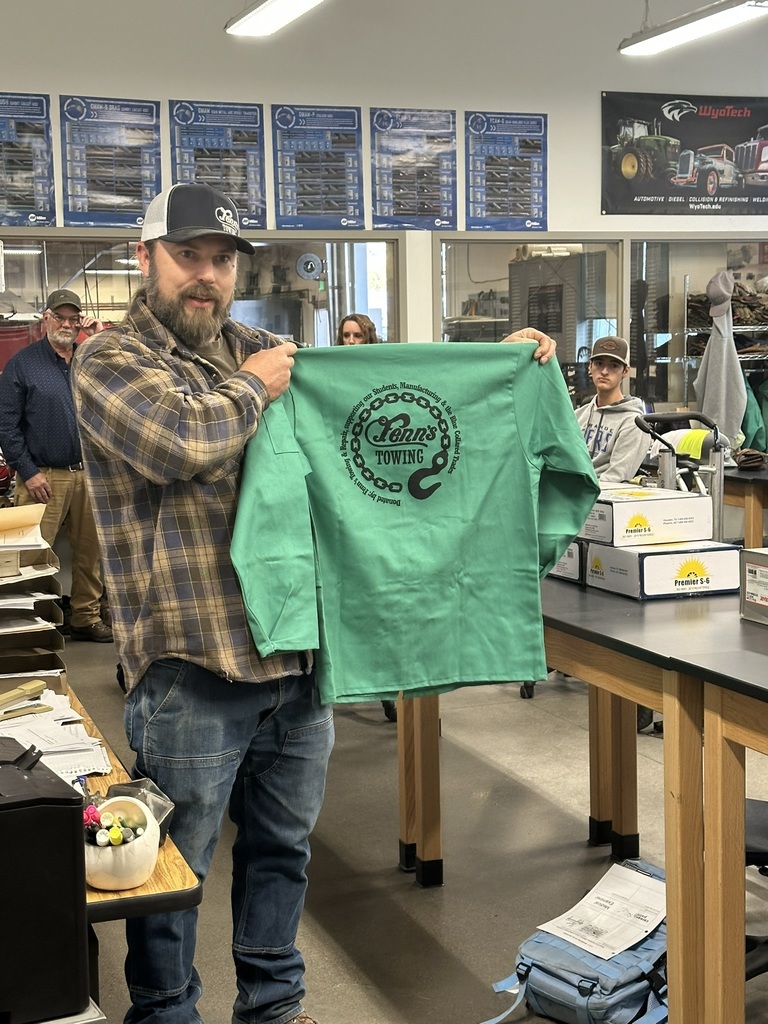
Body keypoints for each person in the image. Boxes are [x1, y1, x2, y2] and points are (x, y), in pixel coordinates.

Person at [70, 181, 557, 1024]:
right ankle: (166, 1014)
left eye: (223, 261)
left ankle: (275, 1005)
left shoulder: (262, 346)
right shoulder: (110, 361)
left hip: (298, 660)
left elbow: (368, 383)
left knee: (282, 853)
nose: (208, 275)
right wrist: (256, 389)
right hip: (193, 664)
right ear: (146, 260)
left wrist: (495, 361)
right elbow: (179, 443)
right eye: (189, 256)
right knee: (172, 872)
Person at [0, 288, 113, 642]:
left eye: (73, 319)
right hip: (43, 476)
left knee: (90, 554)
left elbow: (121, 386)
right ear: (46, 319)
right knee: (33, 556)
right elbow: (5, 423)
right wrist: (28, 472)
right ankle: (29, 621)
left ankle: (85, 617)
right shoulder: (24, 363)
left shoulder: (90, 359)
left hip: (90, 475)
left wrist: (99, 339)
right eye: (59, 317)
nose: (66, 324)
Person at [574, 335, 649, 484]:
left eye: (614, 366)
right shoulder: (577, 416)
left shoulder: (635, 423)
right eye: (599, 363)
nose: (604, 371)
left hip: (603, 500)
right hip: (569, 495)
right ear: (590, 367)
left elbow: (617, 477)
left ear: (625, 371)